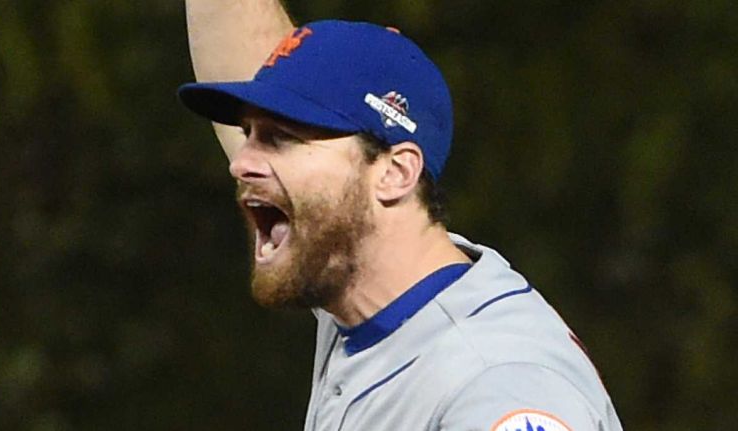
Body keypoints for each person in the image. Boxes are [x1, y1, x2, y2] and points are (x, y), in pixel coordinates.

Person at [178, 2, 623, 430]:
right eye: (248, 134)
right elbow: (243, 45)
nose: (241, 163)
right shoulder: (363, 284)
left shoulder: (497, 383)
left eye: (282, 138)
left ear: (395, 173)